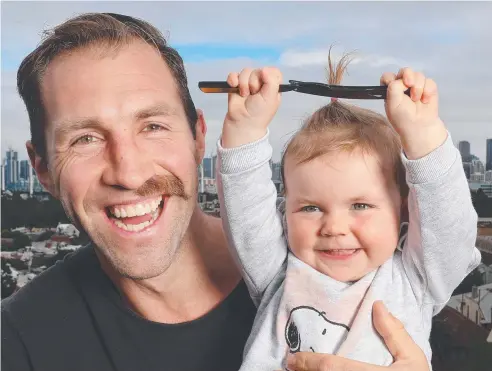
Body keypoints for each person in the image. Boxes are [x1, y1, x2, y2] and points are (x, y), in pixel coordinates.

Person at [2, 12, 431, 371]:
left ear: (199, 137)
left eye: (152, 126)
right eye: (85, 139)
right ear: (41, 167)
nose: (128, 173)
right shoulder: (19, 342)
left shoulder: (373, 281)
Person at [215, 54, 480, 371]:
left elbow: (449, 228)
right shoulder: (278, 273)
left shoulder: (412, 281)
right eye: (310, 207)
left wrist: (423, 135)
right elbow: (247, 211)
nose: (334, 227)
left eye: (360, 205)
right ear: (285, 213)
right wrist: (244, 129)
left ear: (403, 209)